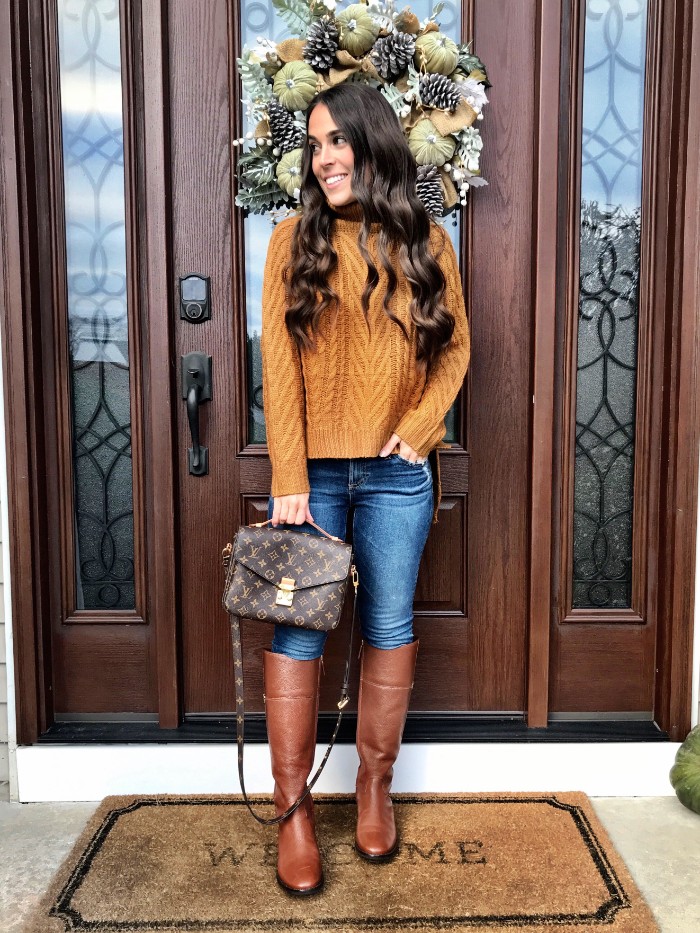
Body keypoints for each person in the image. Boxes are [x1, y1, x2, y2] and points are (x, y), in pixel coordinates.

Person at [260, 82, 471, 896]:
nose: (326, 158)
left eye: (338, 141)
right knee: (300, 633)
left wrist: (418, 430)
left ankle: (373, 785)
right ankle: (292, 809)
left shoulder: (426, 242)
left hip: (395, 475)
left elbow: (454, 353)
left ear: (372, 143)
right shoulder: (290, 241)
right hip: (311, 479)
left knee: (387, 622)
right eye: (315, 145)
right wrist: (287, 475)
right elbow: (277, 365)